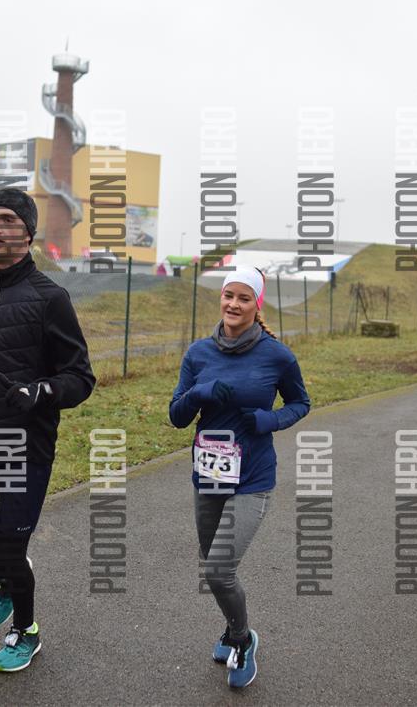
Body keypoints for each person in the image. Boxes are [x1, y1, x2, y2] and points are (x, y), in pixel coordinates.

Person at [0, 187, 95, 672]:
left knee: (10, 544)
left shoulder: (50, 298)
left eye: (7, 219)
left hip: (20, 447)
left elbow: (80, 377)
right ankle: (6, 572)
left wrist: (41, 391)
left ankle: (26, 631)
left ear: (29, 232)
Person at [169, 265, 310, 689]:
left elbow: (300, 403)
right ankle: (233, 630)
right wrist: (199, 393)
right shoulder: (198, 353)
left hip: (252, 477)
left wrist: (269, 419)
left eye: (243, 298)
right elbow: (177, 416)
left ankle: (244, 640)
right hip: (209, 473)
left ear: (256, 304)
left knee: (218, 571)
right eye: (228, 295)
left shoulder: (277, 355)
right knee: (212, 563)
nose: (233, 304)